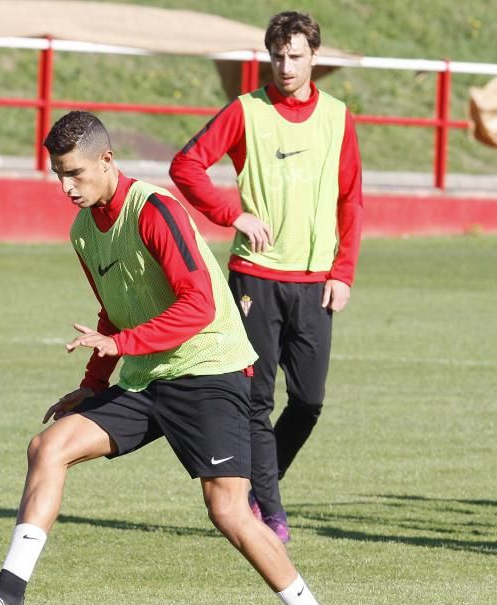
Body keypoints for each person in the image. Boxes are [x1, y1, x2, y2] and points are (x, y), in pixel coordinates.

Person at [0, 110, 345, 605]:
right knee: (49, 446)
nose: (66, 187)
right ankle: (10, 592)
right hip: (149, 375)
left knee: (228, 510)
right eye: (58, 174)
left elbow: (200, 305)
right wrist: (92, 383)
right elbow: (113, 313)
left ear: (107, 160)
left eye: (76, 174)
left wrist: (121, 346)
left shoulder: (155, 209)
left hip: (210, 370)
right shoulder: (84, 231)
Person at [170, 11, 364, 544]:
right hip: (255, 278)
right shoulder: (245, 111)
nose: (285, 66)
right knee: (257, 401)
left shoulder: (338, 118)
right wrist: (232, 215)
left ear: (314, 58)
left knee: (309, 401)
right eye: (277, 56)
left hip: (315, 282)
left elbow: (351, 200)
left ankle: (257, 487)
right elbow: (186, 165)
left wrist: (342, 272)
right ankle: (271, 514)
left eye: (296, 56)